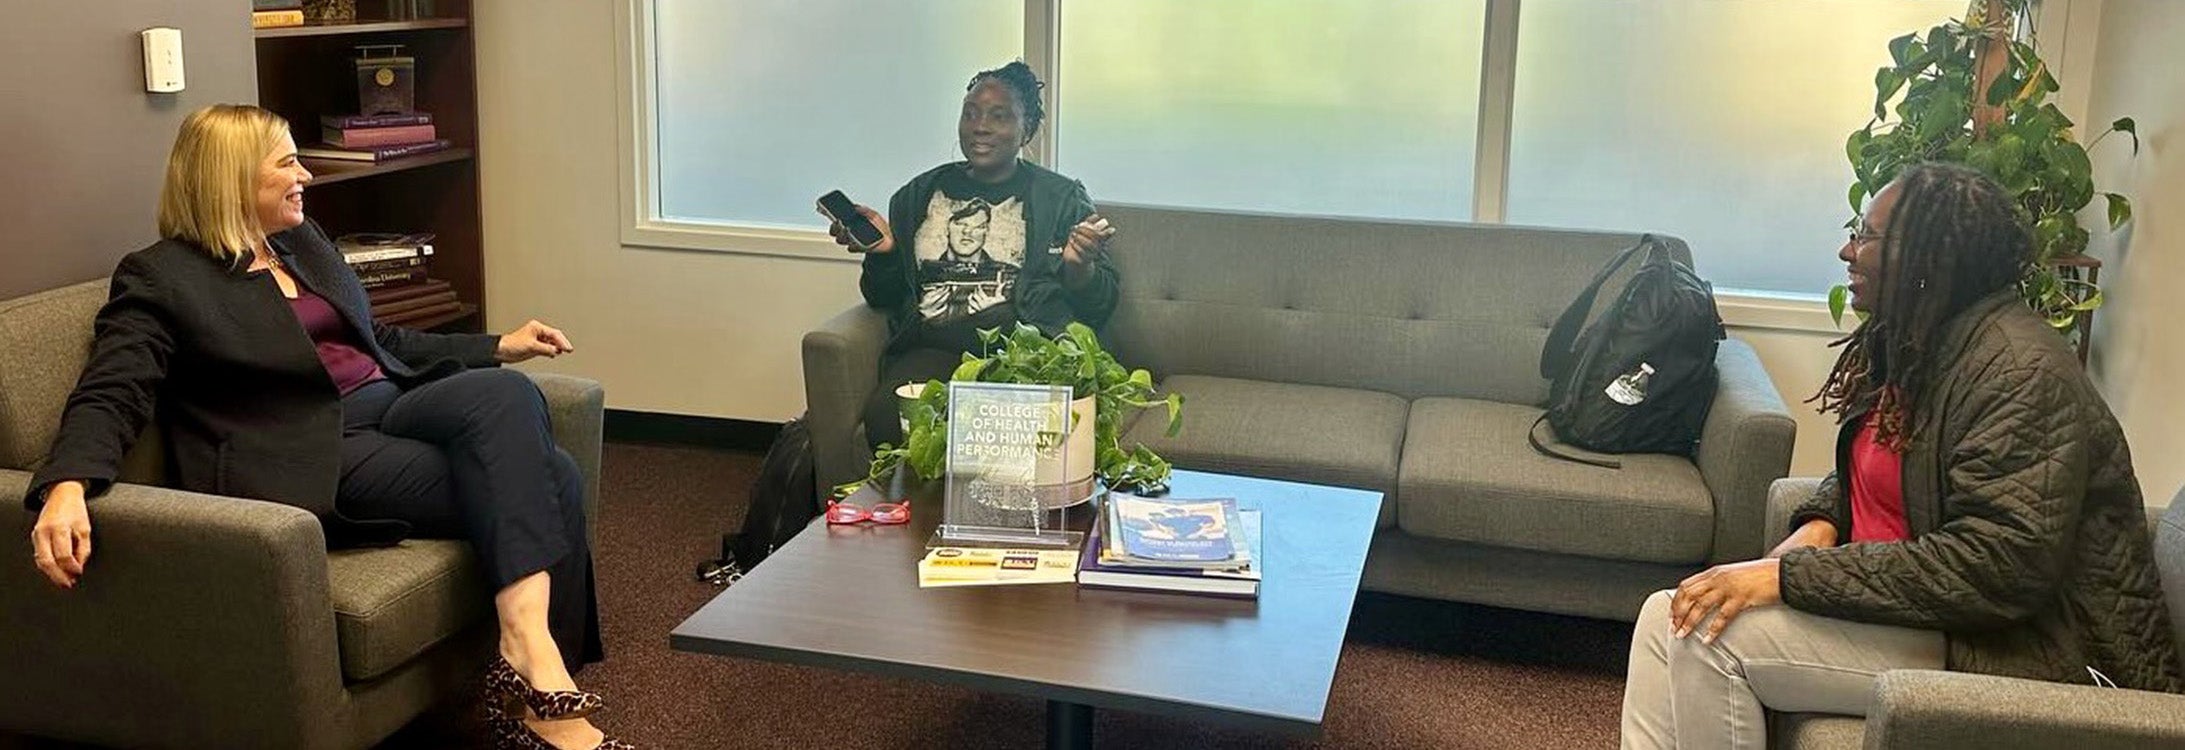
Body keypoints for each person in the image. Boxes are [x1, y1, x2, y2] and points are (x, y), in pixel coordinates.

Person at [21, 105, 630, 750]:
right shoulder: (162, 277)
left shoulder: (301, 241)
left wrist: (497, 344)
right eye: (286, 162)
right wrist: (68, 484)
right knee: (553, 475)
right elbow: (114, 388)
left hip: (389, 401)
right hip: (312, 448)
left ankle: (524, 649)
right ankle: (546, 699)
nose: (305, 173)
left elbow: (377, 339)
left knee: (505, 394)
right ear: (229, 179)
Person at [1619, 162, 2183, 749]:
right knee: (1668, 618)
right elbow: (1884, 464)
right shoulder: (1920, 339)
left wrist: (1791, 577)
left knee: (1706, 641)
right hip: (1927, 614)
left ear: (1927, 259)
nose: (1846, 250)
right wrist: (1823, 521)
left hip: (2018, 648)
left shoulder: (2018, 372)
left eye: (1865, 235)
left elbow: (1996, 569)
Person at [821, 61, 1121, 450]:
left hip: (1020, 356)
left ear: (1026, 130)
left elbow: (1101, 305)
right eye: (971, 113)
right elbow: (884, 298)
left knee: (1017, 434)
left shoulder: (1060, 198)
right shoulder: (917, 195)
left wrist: (1080, 269)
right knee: (888, 416)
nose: (980, 126)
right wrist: (884, 253)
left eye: (999, 116)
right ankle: (915, 511)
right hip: (933, 351)